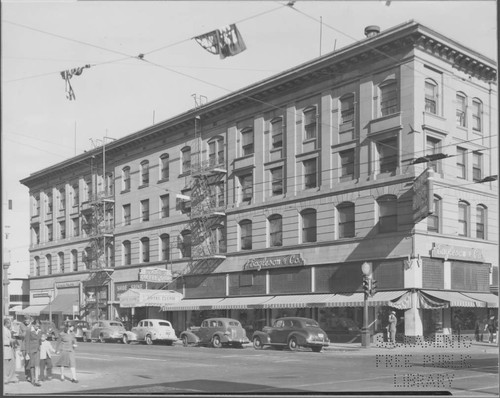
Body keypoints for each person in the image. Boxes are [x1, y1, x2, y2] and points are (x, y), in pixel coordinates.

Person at [23, 319, 42, 386]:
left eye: (39, 326)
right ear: (33, 325)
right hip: (31, 350)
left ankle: (36, 379)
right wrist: (27, 353)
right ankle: (33, 379)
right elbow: (27, 341)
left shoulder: (39, 331)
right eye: (37, 326)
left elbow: (40, 340)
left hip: (37, 350)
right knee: (32, 365)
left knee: (37, 365)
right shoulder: (29, 330)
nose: (38, 327)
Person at [3, 318, 19, 384]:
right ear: (6, 323)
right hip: (5, 348)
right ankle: (5, 378)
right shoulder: (3, 330)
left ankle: (11, 377)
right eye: (9, 323)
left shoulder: (8, 330)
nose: (10, 325)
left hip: (10, 348)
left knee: (12, 364)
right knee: (6, 365)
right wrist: (10, 341)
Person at [19, 316, 32, 382]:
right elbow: (20, 335)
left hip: (32, 346)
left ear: (30, 320)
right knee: (26, 362)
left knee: (31, 361)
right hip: (24, 346)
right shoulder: (21, 325)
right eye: (25, 320)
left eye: (27, 320)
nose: (26, 321)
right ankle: (27, 375)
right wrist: (22, 335)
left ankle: (31, 375)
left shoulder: (33, 326)